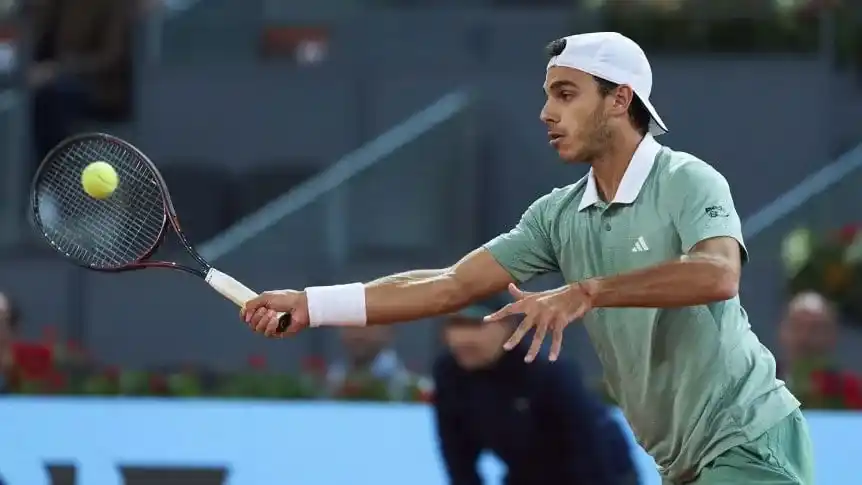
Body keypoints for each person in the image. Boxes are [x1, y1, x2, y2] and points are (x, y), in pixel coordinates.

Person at [241, 32, 813, 485]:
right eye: (547, 94)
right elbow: (450, 284)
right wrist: (312, 305)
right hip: (678, 461)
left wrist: (587, 291)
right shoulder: (556, 215)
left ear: (620, 100)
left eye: (565, 94)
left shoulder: (687, 180)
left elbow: (717, 274)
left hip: (747, 439)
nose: (545, 111)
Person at [434, 304, 637, 485]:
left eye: (475, 325)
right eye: (454, 324)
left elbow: (589, 449)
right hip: (525, 473)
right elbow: (457, 456)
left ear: (508, 325)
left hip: (602, 471)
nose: (462, 337)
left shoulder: (547, 371)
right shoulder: (450, 374)